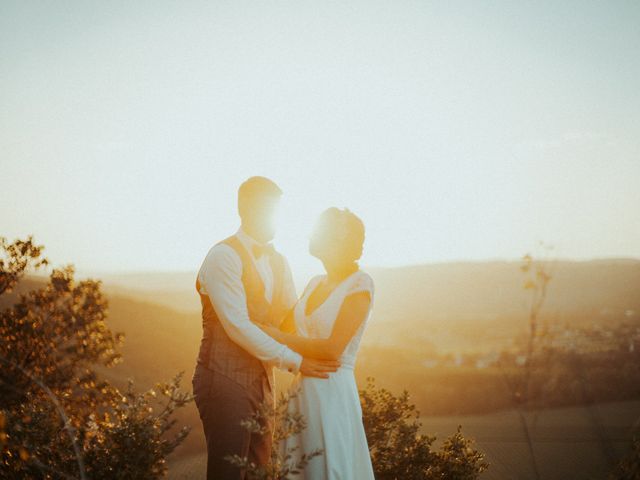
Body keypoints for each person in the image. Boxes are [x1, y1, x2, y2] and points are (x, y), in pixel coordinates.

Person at [192, 176, 340, 480]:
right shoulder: (224, 256)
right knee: (229, 473)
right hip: (222, 378)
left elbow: (289, 317)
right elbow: (238, 327)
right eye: (267, 208)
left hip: (264, 382)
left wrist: (331, 312)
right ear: (244, 208)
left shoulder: (279, 261)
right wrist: (298, 362)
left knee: (260, 472)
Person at [259, 207, 376, 479]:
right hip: (301, 391)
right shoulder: (313, 283)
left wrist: (275, 337)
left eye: (319, 231)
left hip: (332, 392)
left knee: (328, 467)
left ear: (339, 241)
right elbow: (285, 326)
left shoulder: (360, 284)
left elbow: (332, 348)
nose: (311, 235)